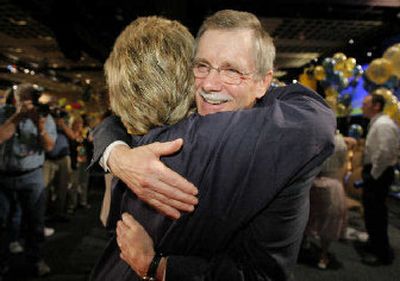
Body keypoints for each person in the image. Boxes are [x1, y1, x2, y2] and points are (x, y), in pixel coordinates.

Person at [90, 11, 335, 281]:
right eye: (201, 65)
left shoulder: (265, 142)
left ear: (264, 82)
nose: (209, 83)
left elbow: (261, 276)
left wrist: (157, 266)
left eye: (232, 70)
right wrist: (116, 155)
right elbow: (114, 123)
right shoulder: (169, 135)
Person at [0, 84, 57, 277]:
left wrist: (39, 126)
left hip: (32, 176)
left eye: (30, 98)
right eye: (23, 97)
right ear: (15, 98)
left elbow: (49, 147)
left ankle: (36, 260)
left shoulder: (43, 116)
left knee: (35, 222)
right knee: (3, 222)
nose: (27, 102)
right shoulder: (4, 113)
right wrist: (18, 116)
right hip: (4, 176)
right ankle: (3, 262)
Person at [360, 93, 399, 265]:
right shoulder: (378, 122)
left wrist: (373, 175)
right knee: (371, 212)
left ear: (376, 106)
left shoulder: (383, 124)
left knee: (377, 214)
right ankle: (374, 244)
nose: (362, 106)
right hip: (377, 172)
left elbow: (385, 153)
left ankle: (382, 253)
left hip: (380, 173)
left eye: (366, 103)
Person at [304, 131, 348, 269]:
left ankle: (303, 244)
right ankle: (323, 255)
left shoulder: (314, 137)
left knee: (307, 217)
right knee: (328, 223)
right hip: (332, 184)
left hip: (311, 183)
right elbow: (342, 164)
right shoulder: (340, 141)